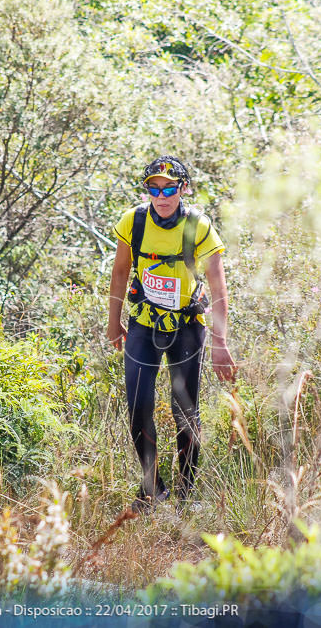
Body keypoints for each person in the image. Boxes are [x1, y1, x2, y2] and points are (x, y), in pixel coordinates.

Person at [107, 155, 236, 514]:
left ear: (183, 189)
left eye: (169, 188)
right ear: (147, 190)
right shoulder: (133, 221)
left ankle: (186, 493)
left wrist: (220, 344)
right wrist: (112, 320)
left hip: (187, 327)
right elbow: (120, 273)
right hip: (143, 324)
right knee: (137, 406)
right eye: (154, 188)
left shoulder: (199, 226)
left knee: (186, 411)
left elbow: (219, 287)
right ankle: (153, 489)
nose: (161, 196)